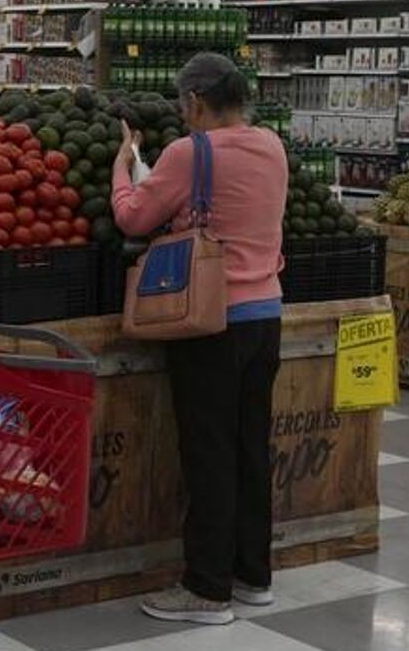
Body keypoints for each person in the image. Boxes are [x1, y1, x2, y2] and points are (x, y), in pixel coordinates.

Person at [110, 53, 288, 626]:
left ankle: (206, 590)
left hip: (210, 320)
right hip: (266, 316)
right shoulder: (273, 146)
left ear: (194, 102)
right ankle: (251, 575)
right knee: (250, 447)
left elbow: (135, 217)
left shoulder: (190, 152)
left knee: (208, 452)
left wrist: (123, 167)